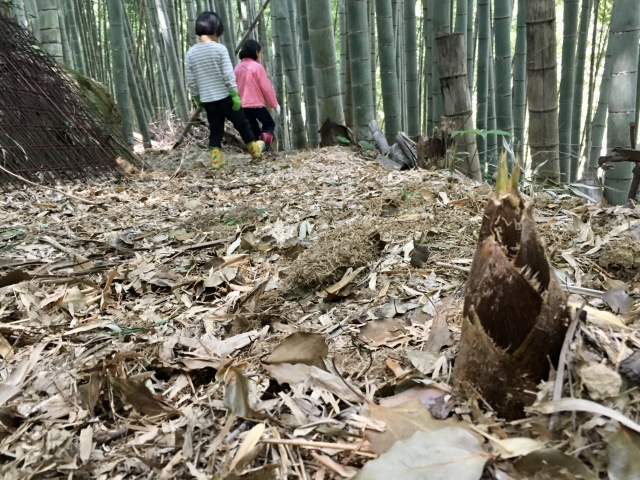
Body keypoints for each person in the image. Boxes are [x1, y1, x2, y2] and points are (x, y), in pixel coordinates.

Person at [185, 12, 264, 170]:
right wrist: (234, 93)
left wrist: (197, 97)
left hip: (208, 101)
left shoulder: (191, 53)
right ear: (215, 31)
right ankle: (254, 150)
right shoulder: (220, 49)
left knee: (216, 130)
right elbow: (228, 74)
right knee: (242, 124)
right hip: (226, 97)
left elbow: (191, 79)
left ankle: (215, 161)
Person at [234, 40, 280, 151]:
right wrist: (275, 104)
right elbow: (266, 88)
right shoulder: (257, 67)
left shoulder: (237, 68)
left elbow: (233, 88)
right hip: (256, 105)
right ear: (255, 52)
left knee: (254, 130)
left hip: (242, 106)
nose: (261, 55)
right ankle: (263, 147)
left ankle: (257, 152)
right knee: (269, 125)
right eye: (260, 53)